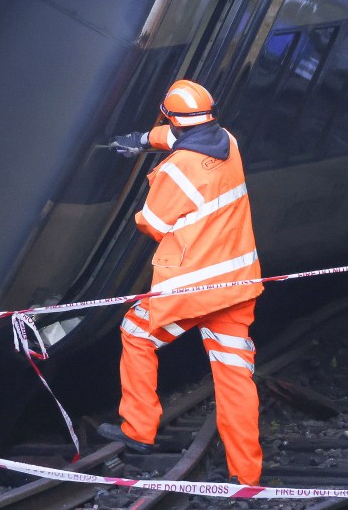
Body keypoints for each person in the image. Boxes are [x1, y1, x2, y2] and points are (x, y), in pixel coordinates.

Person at [98, 79, 264, 485]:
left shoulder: (175, 169)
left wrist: (155, 174)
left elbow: (153, 224)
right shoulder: (229, 142)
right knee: (234, 377)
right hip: (239, 286)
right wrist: (144, 140)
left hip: (193, 291)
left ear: (172, 117)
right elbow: (184, 134)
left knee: (136, 333)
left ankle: (138, 430)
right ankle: (248, 479)